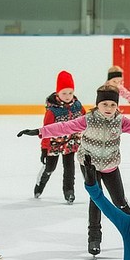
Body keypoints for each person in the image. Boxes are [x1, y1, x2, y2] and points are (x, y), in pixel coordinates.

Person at [17, 84, 130, 257]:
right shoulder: (87, 119)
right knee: (96, 200)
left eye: (113, 105)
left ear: (117, 106)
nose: (109, 108)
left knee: (120, 200)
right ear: (98, 104)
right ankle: (94, 238)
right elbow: (63, 127)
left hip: (110, 165)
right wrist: (39, 132)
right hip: (89, 164)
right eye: (105, 104)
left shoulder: (121, 121)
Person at [35, 70, 85, 203]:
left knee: (70, 168)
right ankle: (41, 183)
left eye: (70, 93)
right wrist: (44, 149)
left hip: (70, 143)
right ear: (57, 93)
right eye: (64, 93)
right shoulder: (52, 111)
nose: (68, 96)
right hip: (54, 144)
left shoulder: (78, 106)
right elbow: (45, 131)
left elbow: (86, 121)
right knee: (50, 167)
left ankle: (69, 191)